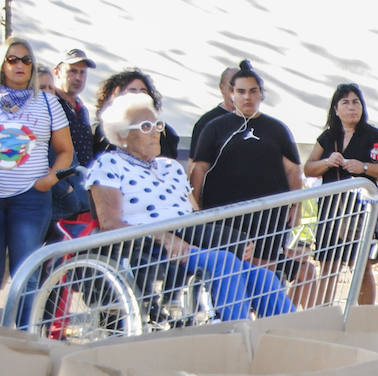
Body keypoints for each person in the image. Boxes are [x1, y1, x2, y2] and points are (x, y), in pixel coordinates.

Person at [86, 92, 293, 322]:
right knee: (223, 262)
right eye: (145, 126)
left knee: (262, 276)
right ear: (122, 134)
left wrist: (228, 238)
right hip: (147, 246)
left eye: (157, 125)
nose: (155, 131)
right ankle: (238, 333)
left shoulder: (170, 166)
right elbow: (109, 223)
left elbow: (195, 213)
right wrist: (163, 237)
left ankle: (290, 337)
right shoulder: (109, 164)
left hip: (189, 237)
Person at [190, 60, 311, 296]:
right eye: (241, 91)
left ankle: (269, 325)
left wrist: (295, 208)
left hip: (269, 218)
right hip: (225, 219)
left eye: (253, 91)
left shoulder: (277, 129)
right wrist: (197, 210)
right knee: (231, 276)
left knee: (266, 275)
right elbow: (198, 169)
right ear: (231, 93)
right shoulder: (213, 128)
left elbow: (293, 171)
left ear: (261, 94)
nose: (247, 97)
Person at [302, 82, 378, 306]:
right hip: (331, 209)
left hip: (361, 209)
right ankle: (324, 311)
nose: (352, 107)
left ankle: (364, 315)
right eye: (346, 103)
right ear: (336, 109)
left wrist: (363, 167)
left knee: (361, 265)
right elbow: (309, 168)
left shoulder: (373, 135)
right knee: (328, 263)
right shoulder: (327, 137)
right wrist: (326, 162)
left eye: (356, 102)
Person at [0, 37, 72, 292]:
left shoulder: (48, 102)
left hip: (31, 198)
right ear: (2, 63)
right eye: (13, 59)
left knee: (26, 276)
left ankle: (24, 332)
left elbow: (66, 151)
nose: (20, 64)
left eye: (26, 60)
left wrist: (50, 179)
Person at [49, 48, 96, 221]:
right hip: (58, 196)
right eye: (72, 71)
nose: (78, 77)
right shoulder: (49, 104)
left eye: (82, 72)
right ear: (57, 72)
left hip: (82, 192)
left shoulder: (81, 107)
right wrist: (64, 189)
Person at [91, 69, 180, 159]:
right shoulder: (100, 131)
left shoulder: (162, 131)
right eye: (132, 91)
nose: (139, 96)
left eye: (143, 92)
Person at [189, 66, 237, 157]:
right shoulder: (206, 123)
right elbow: (195, 165)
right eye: (232, 88)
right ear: (222, 88)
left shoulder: (256, 121)